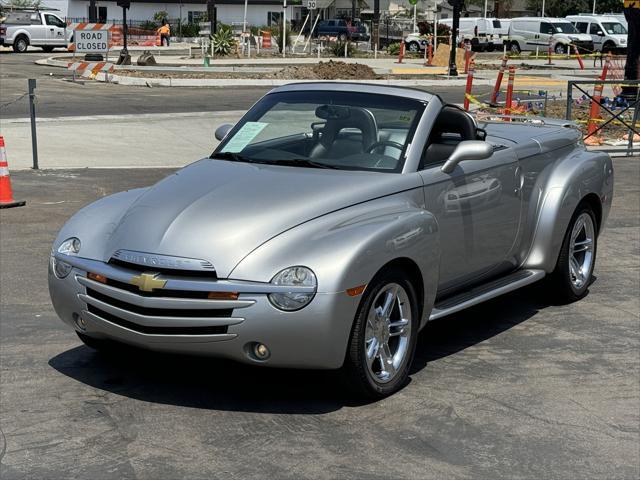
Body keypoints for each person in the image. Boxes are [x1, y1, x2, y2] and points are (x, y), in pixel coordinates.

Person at [623, 0, 639, 97]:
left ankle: (629, 89)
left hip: (631, 9)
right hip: (632, 8)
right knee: (633, 52)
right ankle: (629, 89)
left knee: (633, 51)